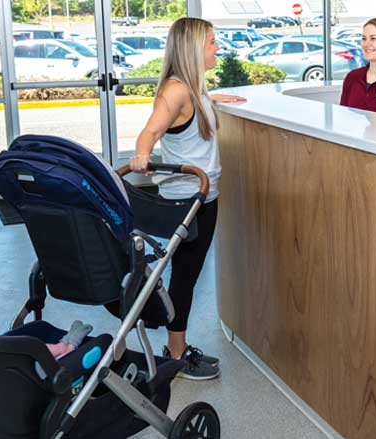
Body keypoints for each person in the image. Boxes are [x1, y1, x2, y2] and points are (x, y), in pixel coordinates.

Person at [129, 17, 245, 381]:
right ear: (193, 48)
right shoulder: (176, 91)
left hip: (203, 196)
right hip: (189, 200)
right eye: (211, 42)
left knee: (185, 273)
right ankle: (176, 354)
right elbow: (151, 129)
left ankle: (174, 346)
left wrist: (211, 98)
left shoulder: (190, 89)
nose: (216, 48)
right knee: (185, 277)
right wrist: (141, 154)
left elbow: (185, 118)